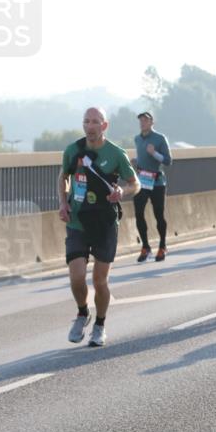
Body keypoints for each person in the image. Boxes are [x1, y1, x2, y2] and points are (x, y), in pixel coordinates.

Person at [59, 107, 140, 346]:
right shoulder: (73, 150)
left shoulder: (116, 154)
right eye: (86, 121)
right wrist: (63, 202)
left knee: (99, 281)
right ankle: (83, 313)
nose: (90, 126)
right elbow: (63, 176)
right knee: (76, 277)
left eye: (95, 122)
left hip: (105, 222)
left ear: (104, 126)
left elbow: (135, 184)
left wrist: (121, 191)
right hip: (78, 220)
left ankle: (100, 325)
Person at [133, 111, 172, 262]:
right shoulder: (137, 139)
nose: (143, 123)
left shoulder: (160, 138)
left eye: (145, 120)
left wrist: (154, 153)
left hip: (157, 182)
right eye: (141, 120)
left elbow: (168, 161)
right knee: (138, 213)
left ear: (151, 122)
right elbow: (143, 156)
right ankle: (145, 246)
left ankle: (162, 246)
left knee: (158, 215)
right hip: (142, 181)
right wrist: (136, 160)